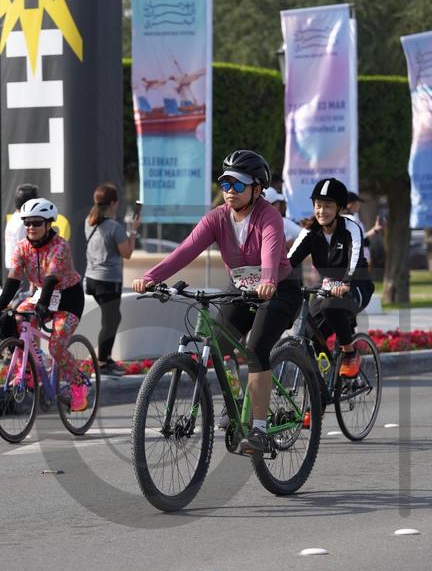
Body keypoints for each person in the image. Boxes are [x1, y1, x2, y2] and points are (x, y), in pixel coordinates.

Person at [132, 149, 302, 452]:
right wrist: (151, 277)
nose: (229, 191)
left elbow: (270, 251)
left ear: (257, 188)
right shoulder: (216, 218)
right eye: (225, 184)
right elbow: (185, 250)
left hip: (278, 290)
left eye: (238, 185)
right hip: (240, 289)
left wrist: (267, 280)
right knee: (218, 344)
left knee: (256, 349)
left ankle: (260, 429)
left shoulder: (269, 216)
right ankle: (235, 401)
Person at [0, 198, 88, 411]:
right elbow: (13, 280)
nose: (31, 227)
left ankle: (79, 385)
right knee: (17, 318)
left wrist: (43, 304)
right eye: (27, 222)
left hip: (68, 297)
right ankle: (27, 372)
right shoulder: (22, 247)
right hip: (41, 294)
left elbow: (51, 278)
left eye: (37, 222)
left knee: (56, 347)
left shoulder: (60, 246)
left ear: (48, 224)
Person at [287, 178, 374, 378]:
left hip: (356, 284)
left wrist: (346, 283)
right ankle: (325, 383)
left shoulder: (351, 228)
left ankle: (350, 353)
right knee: (309, 334)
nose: (321, 211)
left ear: (339, 208)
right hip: (326, 285)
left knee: (330, 306)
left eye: (328, 206)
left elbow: (355, 260)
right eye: (318, 205)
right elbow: (288, 261)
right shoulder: (310, 230)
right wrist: (270, 279)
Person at [84, 182, 140, 376]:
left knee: (112, 319)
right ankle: (102, 362)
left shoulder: (89, 221)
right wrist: (134, 230)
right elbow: (127, 253)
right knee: (111, 321)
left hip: (92, 279)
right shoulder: (114, 227)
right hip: (108, 281)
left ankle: (106, 359)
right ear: (114, 203)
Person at [4, 183, 39, 270]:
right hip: (22, 269)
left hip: (15, 267)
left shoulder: (14, 218)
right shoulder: (24, 222)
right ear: (30, 203)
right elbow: (26, 249)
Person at [344, 191, 384, 266]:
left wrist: (375, 230)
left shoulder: (344, 219)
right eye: (357, 203)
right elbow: (362, 242)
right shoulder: (352, 220)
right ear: (350, 204)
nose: (359, 205)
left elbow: (362, 238)